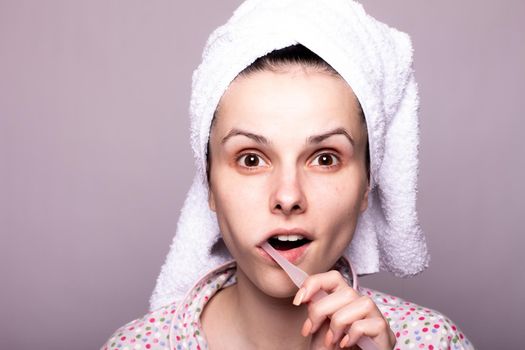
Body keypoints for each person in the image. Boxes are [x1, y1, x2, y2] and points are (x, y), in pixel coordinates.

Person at [102, 1, 474, 349]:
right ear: (209, 183)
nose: (288, 195)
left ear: (367, 184)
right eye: (251, 159)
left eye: (325, 158)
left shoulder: (434, 341)